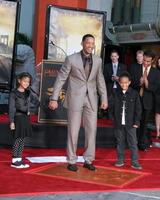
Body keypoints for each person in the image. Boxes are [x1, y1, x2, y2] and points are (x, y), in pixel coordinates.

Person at [49, 34, 108, 172]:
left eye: (92, 43)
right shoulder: (71, 59)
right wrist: (54, 98)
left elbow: (100, 80)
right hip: (75, 98)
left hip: (92, 99)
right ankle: (71, 160)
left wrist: (104, 98)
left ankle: (88, 159)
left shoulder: (98, 60)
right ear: (82, 43)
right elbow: (61, 78)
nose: (90, 45)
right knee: (73, 131)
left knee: (91, 131)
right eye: (88, 42)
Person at [109, 71, 142, 170]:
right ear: (119, 83)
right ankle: (120, 159)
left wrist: (136, 122)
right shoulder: (115, 94)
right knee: (120, 142)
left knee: (133, 143)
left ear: (129, 82)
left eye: (126, 82)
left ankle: (135, 161)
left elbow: (138, 109)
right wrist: (113, 119)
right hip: (119, 123)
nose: (124, 84)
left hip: (131, 124)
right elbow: (111, 107)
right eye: (122, 82)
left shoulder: (134, 94)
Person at [9, 72, 39, 168]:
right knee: (17, 139)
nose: (26, 83)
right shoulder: (14, 93)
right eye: (24, 81)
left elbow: (36, 101)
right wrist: (11, 121)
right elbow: (12, 108)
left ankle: (19, 159)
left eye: (28, 82)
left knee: (23, 139)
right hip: (17, 118)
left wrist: (32, 92)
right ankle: (14, 160)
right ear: (19, 81)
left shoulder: (28, 92)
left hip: (25, 118)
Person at [131, 50, 159, 150]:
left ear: (152, 61)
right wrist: (139, 83)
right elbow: (130, 83)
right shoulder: (135, 68)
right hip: (135, 100)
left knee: (144, 123)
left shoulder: (156, 72)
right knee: (134, 122)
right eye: (144, 60)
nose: (146, 63)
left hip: (148, 101)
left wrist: (147, 84)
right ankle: (132, 142)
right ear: (142, 58)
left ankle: (141, 144)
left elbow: (156, 87)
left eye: (148, 61)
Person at [155, 57, 160, 139]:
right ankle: (158, 132)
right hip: (157, 94)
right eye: (159, 62)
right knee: (158, 114)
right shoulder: (155, 72)